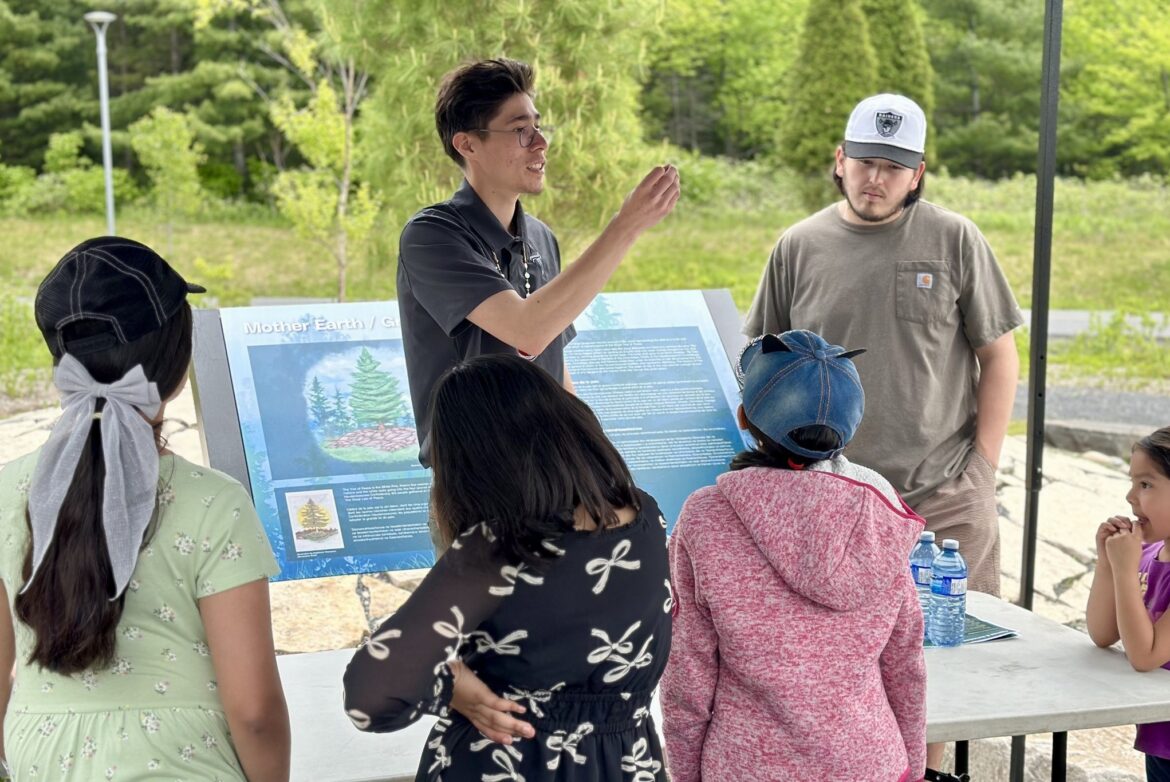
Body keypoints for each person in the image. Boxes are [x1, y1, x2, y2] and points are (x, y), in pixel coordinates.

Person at [0, 237, 290, 781]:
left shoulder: (5, 491)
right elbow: (254, 712)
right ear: (175, 369)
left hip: (43, 758)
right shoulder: (214, 503)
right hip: (184, 762)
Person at [744, 93, 1023, 600]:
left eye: (894, 167)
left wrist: (983, 467)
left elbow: (999, 355)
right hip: (829, 494)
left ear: (917, 175)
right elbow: (761, 361)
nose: (876, 178)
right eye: (865, 162)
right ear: (840, 160)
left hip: (945, 500)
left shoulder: (955, 238)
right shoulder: (799, 245)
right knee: (836, 644)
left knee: (963, 641)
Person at [342, 354, 670, 781]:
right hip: (624, 763)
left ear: (472, 465)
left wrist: (449, 685)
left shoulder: (499, 548)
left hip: (506, 762)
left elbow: (370, 695)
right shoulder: (645, 514)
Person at [661, 329, 927, 782]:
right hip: (869, 764)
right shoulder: (880, 510)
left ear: (744, 417)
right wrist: (913, 770)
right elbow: (905, 664)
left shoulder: (706, 517)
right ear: (849, 430)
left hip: (745, 769)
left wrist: (685, 774)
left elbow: (687, 675)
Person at [398, 57, 680, 469]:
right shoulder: (432, 235)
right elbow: (526, 331)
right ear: (467, 145)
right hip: (478, 477)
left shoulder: (541, 237)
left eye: (539, 126)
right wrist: (626, 226)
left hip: (551, 470)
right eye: (520, 130)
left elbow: (554, 368)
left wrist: (603, 464)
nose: (541, 143)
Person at [1086, 426, 1170, 782]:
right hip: (1160, 738)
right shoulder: (1147, 554)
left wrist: (1124, 571)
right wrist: (1108, 564)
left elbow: (1146, 656)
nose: (1130, 496)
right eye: (1133, 482)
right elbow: (1102, 633)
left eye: (1146, 484)